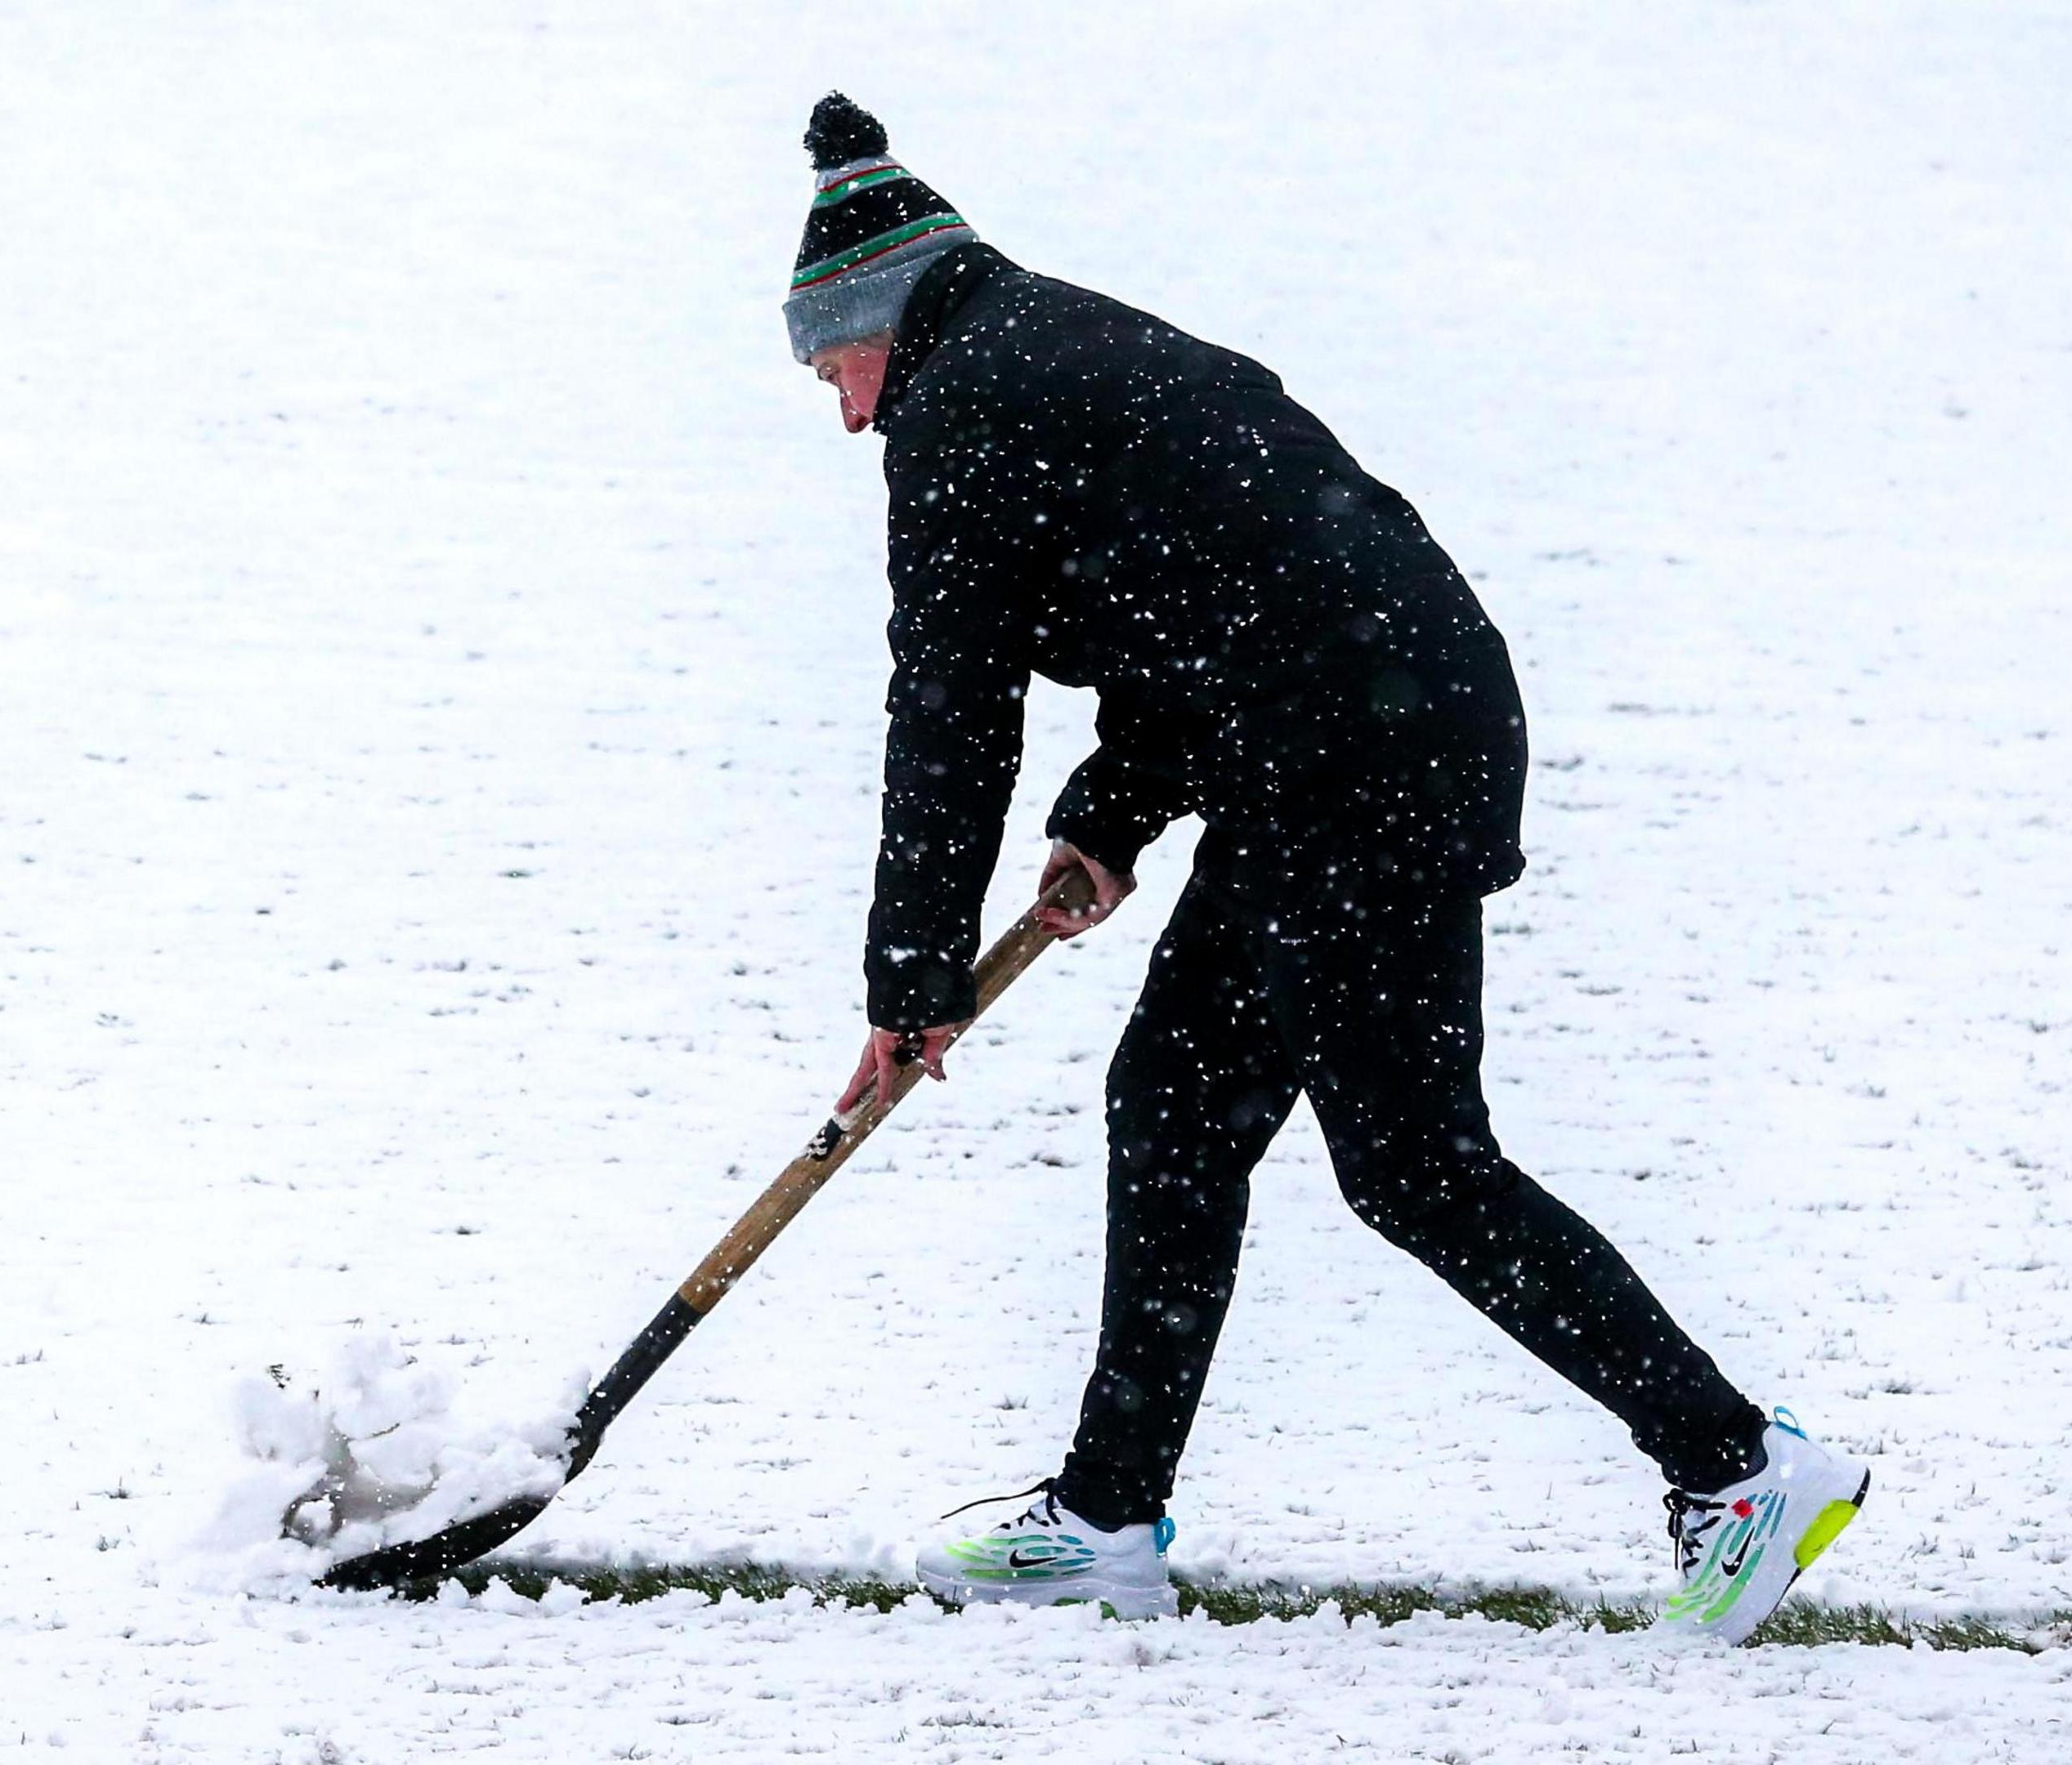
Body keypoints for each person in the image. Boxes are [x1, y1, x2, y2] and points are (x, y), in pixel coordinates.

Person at [783, 94, 1867, 1642]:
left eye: (831, 369)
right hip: (1401, 720)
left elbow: (949, 712)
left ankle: (1726, 1464)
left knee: (1266, 1126)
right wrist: (1112, 816)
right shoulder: (1062, 351)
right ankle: (1726, 1464)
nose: (843, 413)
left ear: (876, 318)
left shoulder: (963, 413)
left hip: (1346, 764)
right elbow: (1203, 599)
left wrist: (911, 981)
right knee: (1372, 1149)